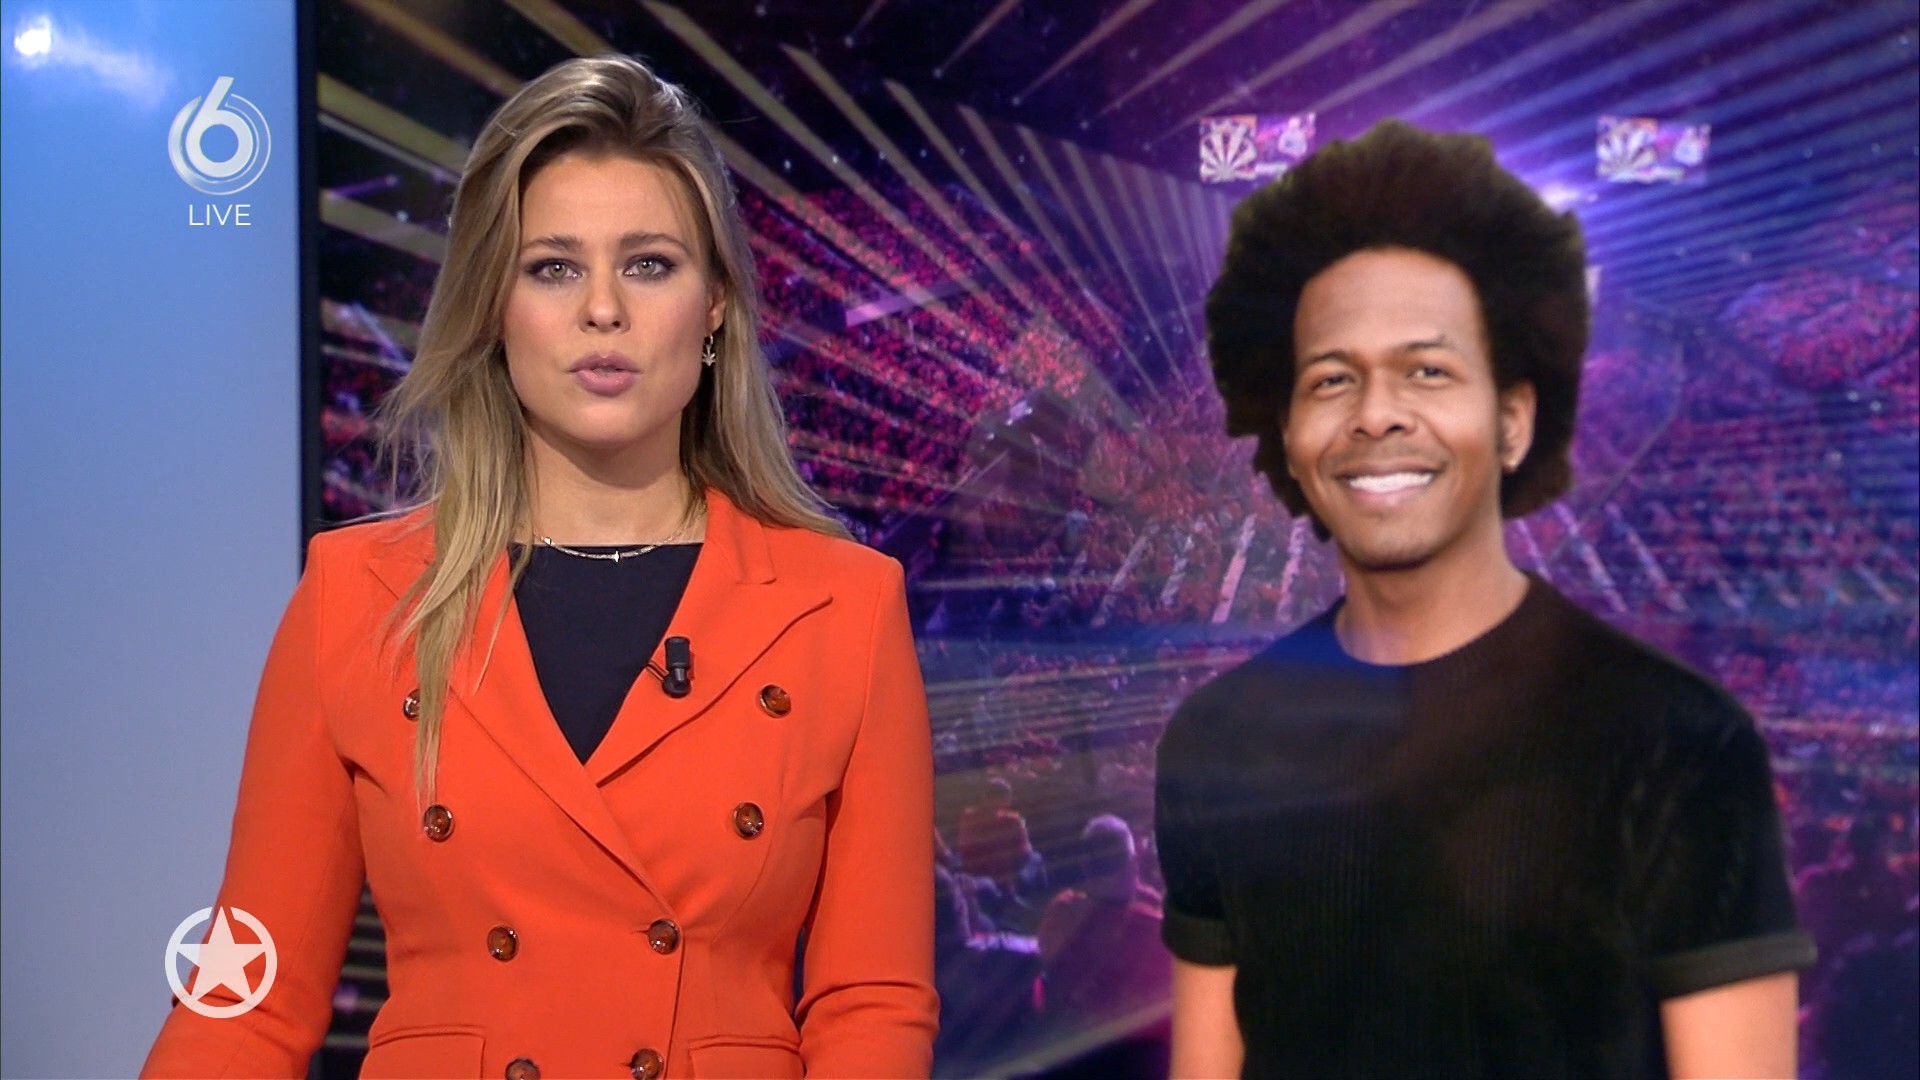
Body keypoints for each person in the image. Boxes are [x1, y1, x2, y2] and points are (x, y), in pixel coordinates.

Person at [144, 55, 936, 1079]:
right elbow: (247, 1004)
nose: (602, 309)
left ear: (715, 306)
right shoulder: (358, 594)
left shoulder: (843, 607)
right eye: (553, 267)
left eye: (649, 264)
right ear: (492, 305)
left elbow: (873, 1007)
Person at [1154, 120, 1813, 1079]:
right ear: (1287, 429)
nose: (1376, 414)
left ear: (1512, 420)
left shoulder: (1682, 742)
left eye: (1428, 370)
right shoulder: (1215, 740)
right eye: (1332, 379)